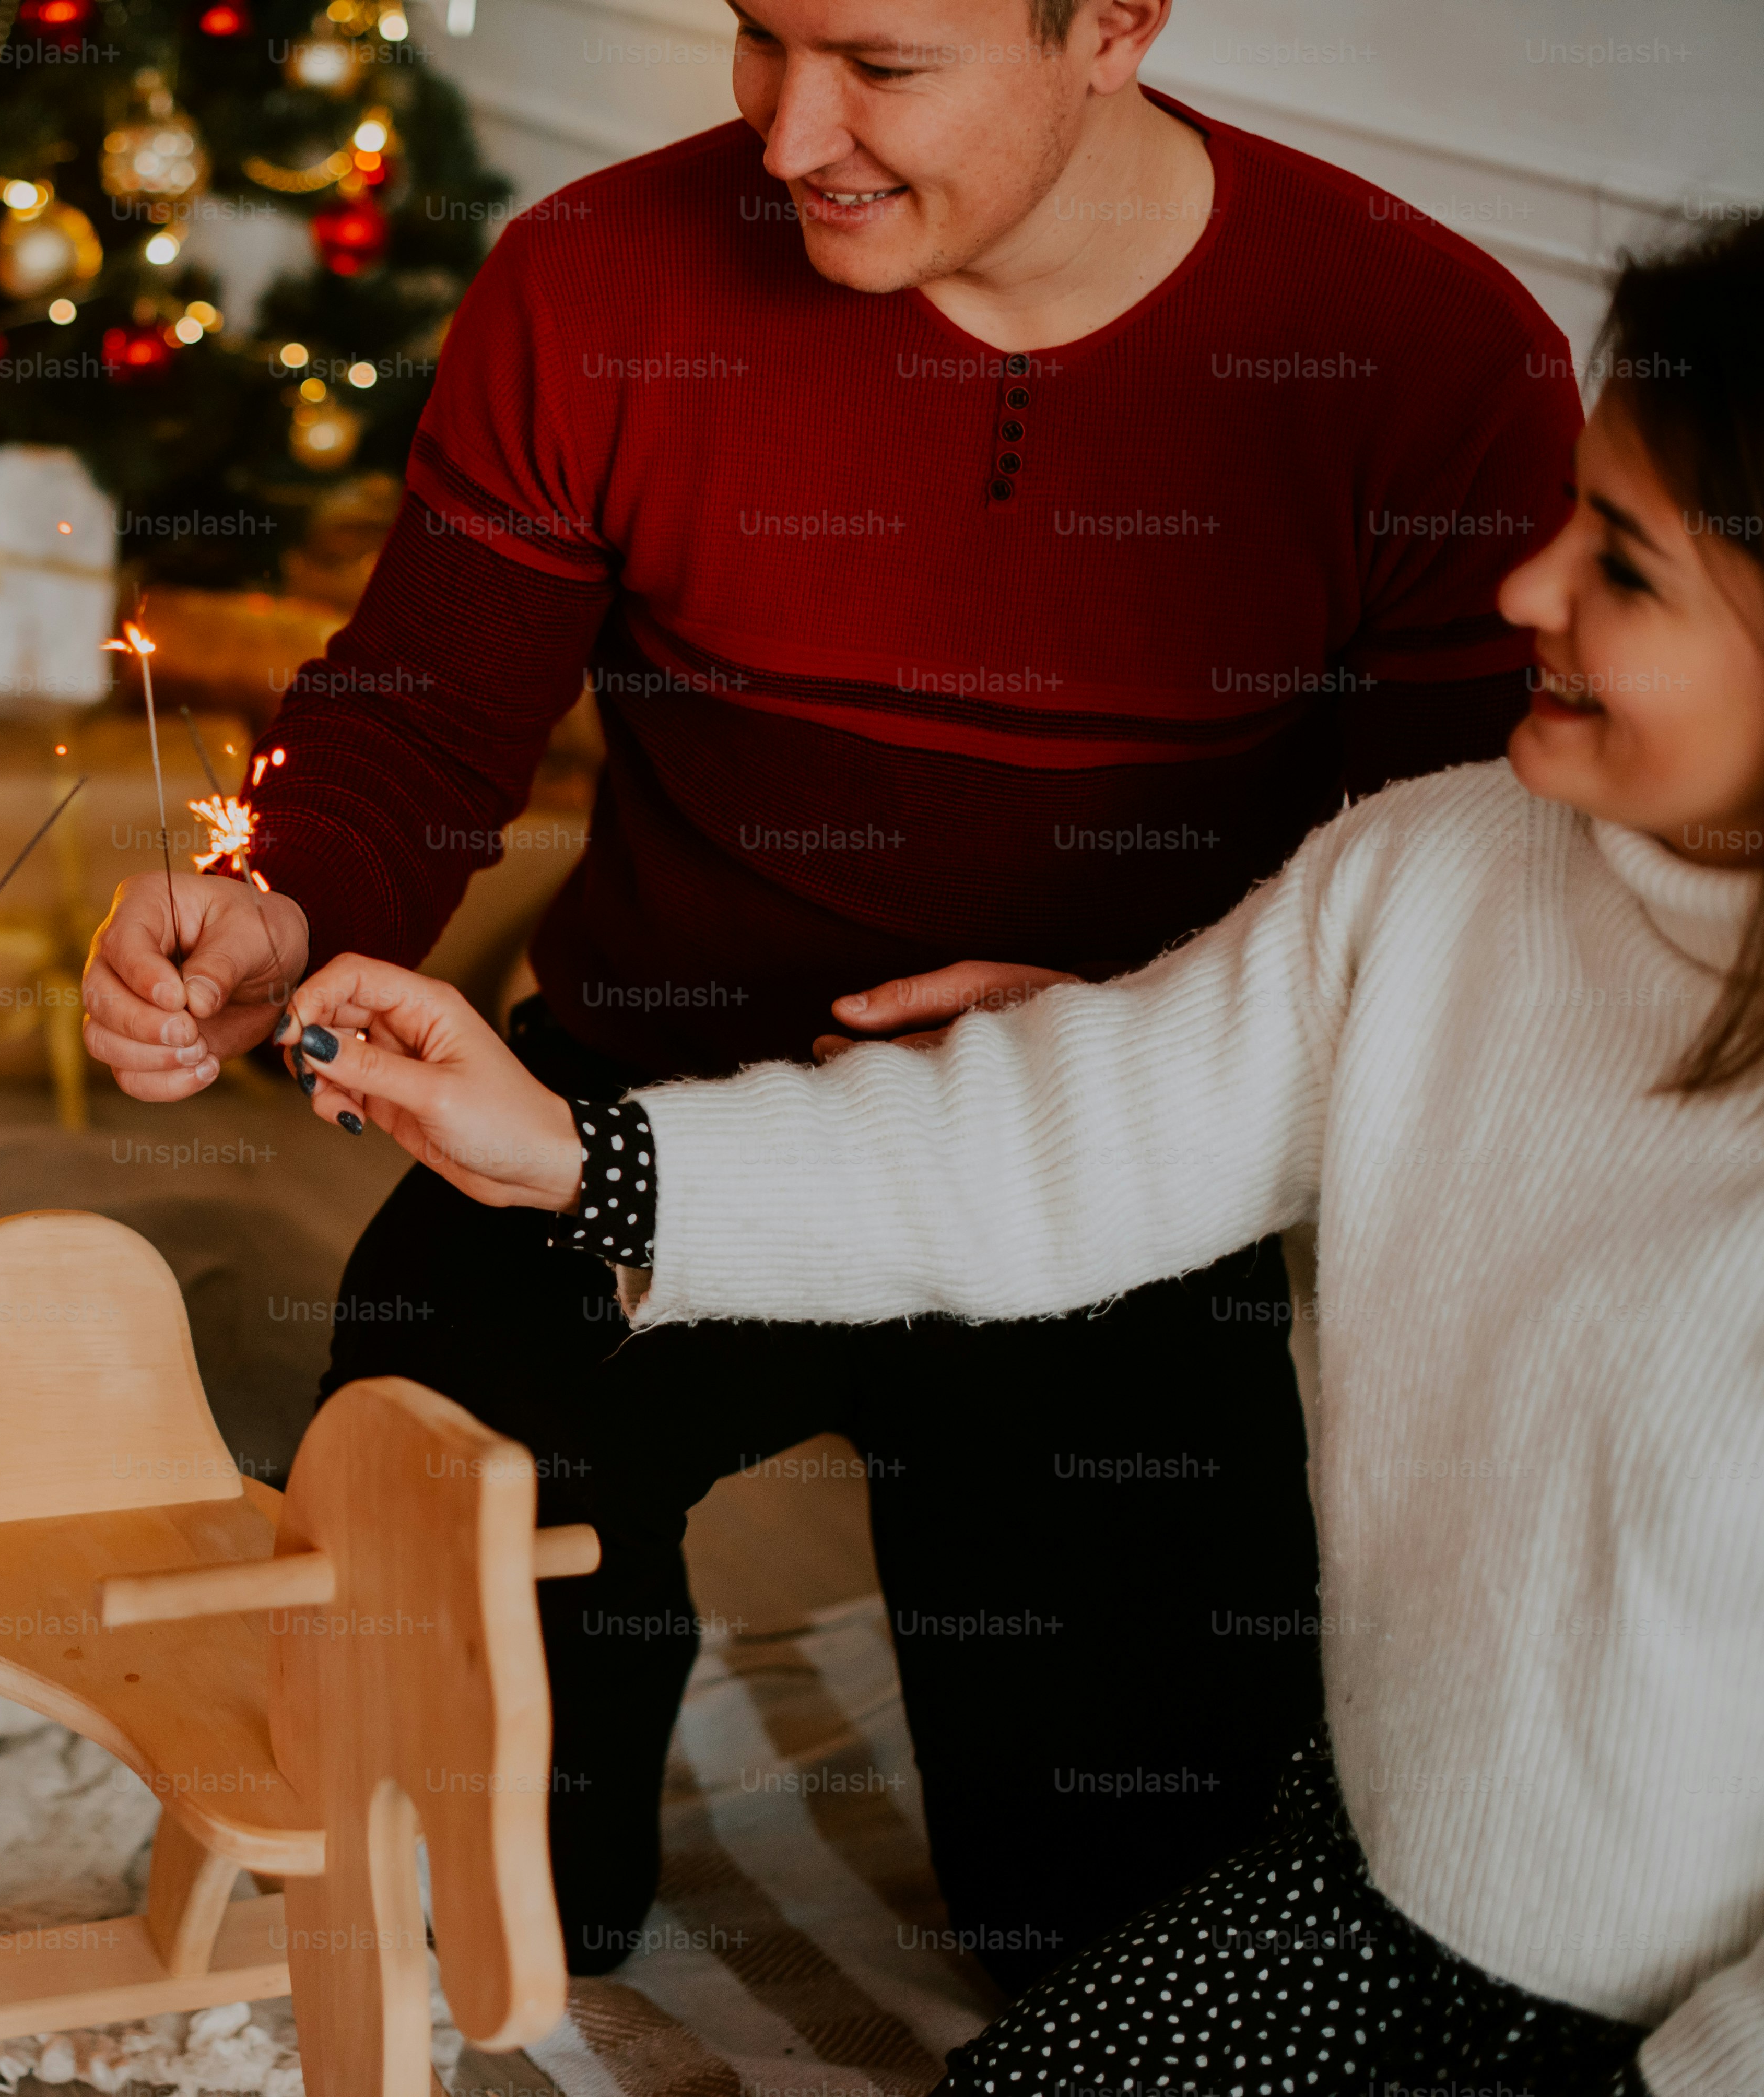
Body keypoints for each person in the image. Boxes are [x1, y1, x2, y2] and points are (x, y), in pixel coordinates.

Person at [80, 0, 1581, 1984]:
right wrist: (274, 910)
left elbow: (1458, 886)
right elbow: (422, 726)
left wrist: (1147, 1032)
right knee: (463, 1886)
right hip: (614, 1119)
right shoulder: (598, 281)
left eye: (880, 62)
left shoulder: (1426, 356)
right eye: (759, 35)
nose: (792, 136)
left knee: (1127, 1940)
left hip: (1093, 1171)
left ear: (1116, 23)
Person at [264, 211, 1764, 2097]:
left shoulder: (1393, 336)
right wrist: (580, 1155)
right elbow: (1040, 1146)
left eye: (1618, 562)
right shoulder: (1443, 871)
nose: (1527, 588)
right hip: (1381, 1888)